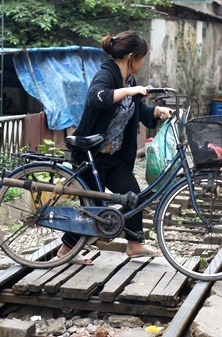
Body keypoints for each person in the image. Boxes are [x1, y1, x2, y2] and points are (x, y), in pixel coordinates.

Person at [59, 31, 173, 265]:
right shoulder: (106, 75)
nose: (143, 62)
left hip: (114, 157)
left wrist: (156, 112)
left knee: (134, 197)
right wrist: (129, 91)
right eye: (141, 57)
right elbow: (96, 98)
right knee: (93, 209)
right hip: (91, 156)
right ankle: (64, 251)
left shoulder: (129, 80)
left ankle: (134, 245)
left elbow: (138, 111)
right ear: (131, 57)